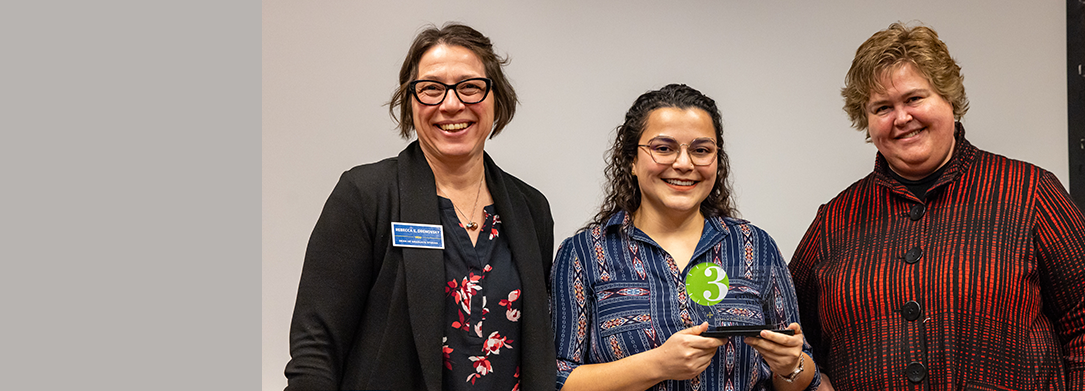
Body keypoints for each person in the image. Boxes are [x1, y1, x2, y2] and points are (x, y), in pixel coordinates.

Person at [789, 22, 1085, 390]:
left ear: (949, 98)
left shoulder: (1030, 193)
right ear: (865, 120)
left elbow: (1082, 323)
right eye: (882, 107)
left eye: (914, 98)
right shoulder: (834, 221)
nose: (901, 118)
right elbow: (790, 341)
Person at [283, 23, 556, 391]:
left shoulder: (530, 209)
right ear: (410, 103)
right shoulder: (366, 195)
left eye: (470, 87)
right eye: (431, 89)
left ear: (497, 98)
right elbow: (316, 347)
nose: (451, 104)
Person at [550, 84, 820, 391]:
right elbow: (557, 379)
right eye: (663, 148)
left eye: (701, 150)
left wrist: (791, 365)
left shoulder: (755, 246)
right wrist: (657, 365)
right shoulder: (583, 254)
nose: (684, 163)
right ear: (631, 161)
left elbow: (803, 376)